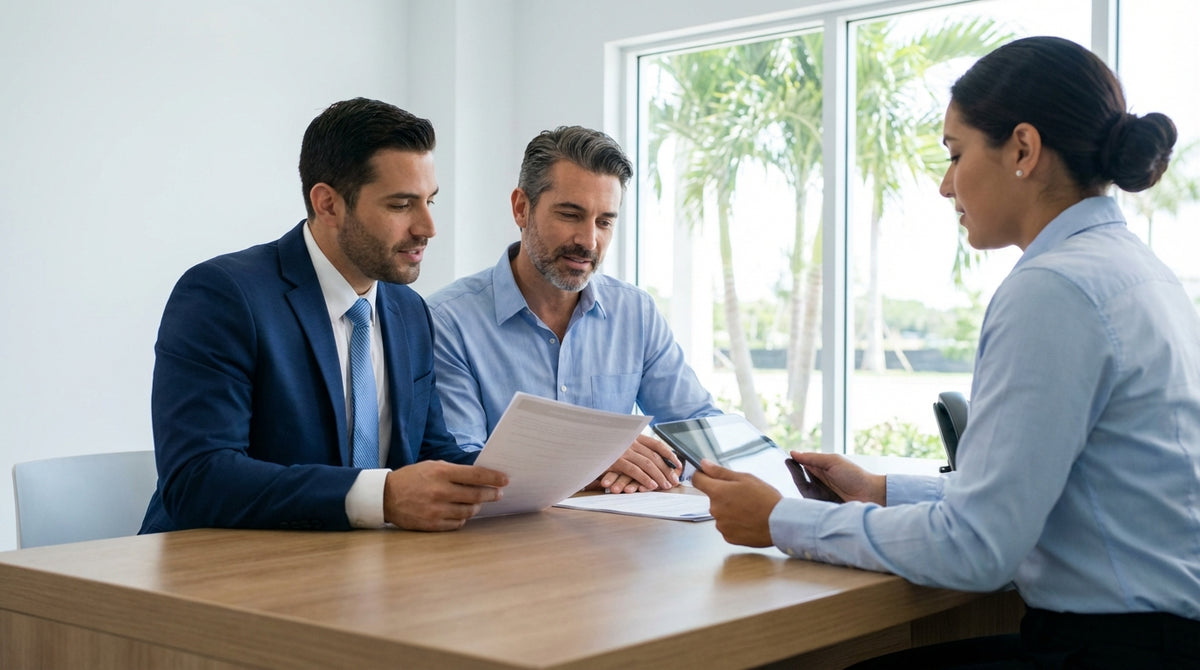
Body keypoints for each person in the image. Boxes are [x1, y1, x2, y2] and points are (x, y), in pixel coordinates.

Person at [693, 36, 1200, 668]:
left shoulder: (1053, 289)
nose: (943, 185)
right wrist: (878, 489)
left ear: (1023, 149)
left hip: (1111, 651)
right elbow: (1035, 493)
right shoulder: (1139, 272)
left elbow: (977, 547)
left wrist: (780, 522)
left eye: (955, 154)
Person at [140, 98, 508, 535]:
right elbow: (199, 479)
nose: (428, 227)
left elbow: (429, 452)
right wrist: (384, 496)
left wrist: (557, 474)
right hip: (219, 574)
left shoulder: (409, 311)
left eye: (430, 201)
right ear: (328, 204)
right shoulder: (223, 296)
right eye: (401, 205)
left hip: (361, 572)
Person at [426, 126, 721, 494]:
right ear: (521, 208)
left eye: (604, 222)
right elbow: (462, 463)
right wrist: (590, 458)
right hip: (503, 542)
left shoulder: (636, 314)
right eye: (570, 215)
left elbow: (703, 434)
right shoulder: (447, 320)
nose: (589, 240)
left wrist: (656, 463)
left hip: (618, 538)